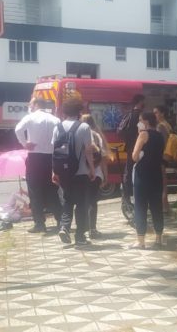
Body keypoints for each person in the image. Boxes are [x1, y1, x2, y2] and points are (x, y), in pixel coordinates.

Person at [15, 98, 62, 233]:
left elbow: (18, 129)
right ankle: (60, 220)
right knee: (53, 190)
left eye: (30, 104)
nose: (29, 106)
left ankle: (40, 223)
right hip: (51, 157)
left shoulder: (30, 117)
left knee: (34, 191)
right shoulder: (55, 119)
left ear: (36, 105)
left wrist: (25, 143)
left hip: (35, 157)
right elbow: (60, 137)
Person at [52, 98, 96, 245]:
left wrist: (55, 171)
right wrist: (91, 169)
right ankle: (80, 236)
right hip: (81, 172)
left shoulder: (57, 127)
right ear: (79, 112)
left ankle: (64, 227)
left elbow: (55, 151)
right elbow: (88, 151)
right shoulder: (84, 127)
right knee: (82, 204)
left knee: (67, 201)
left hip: (64, 173)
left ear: (64, 112)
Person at [131, 112, 165, 249]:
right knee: (156, 206)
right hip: (156, 174)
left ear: (145, 121)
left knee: (140, 206)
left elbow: (134, 156)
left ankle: (141, 241)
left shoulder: (143, 134)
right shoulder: (159, 136)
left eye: (140, 120)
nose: (138, 123)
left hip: (142, 175)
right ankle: (159, 238)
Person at [81, 114, 109, 239]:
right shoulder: (97, 136)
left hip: (82, 173)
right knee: (93, 201)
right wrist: (105, 175)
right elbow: (103, 158)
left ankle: (82, 229)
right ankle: (93, 229)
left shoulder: (79, 135)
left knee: (82, 201)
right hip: (96, 173)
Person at [117, 94, 145, 204]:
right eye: (143, 101)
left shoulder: (129, 114)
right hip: (139, 146)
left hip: (129, 146)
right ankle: (136, 193)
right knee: (139, 170)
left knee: (128, 170)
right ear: (140, 102)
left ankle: (126, 194)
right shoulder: (140, 116)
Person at [154, 105, 173, 213]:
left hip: (161, 156)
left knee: (162, 182)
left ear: (162, 114)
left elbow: (162, 143)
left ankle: (164, 206)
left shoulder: (161, 126)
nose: (155, 115)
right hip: (165, 156)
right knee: (163, 181)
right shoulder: (167, 124)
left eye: (156, 112)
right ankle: (165, 206)